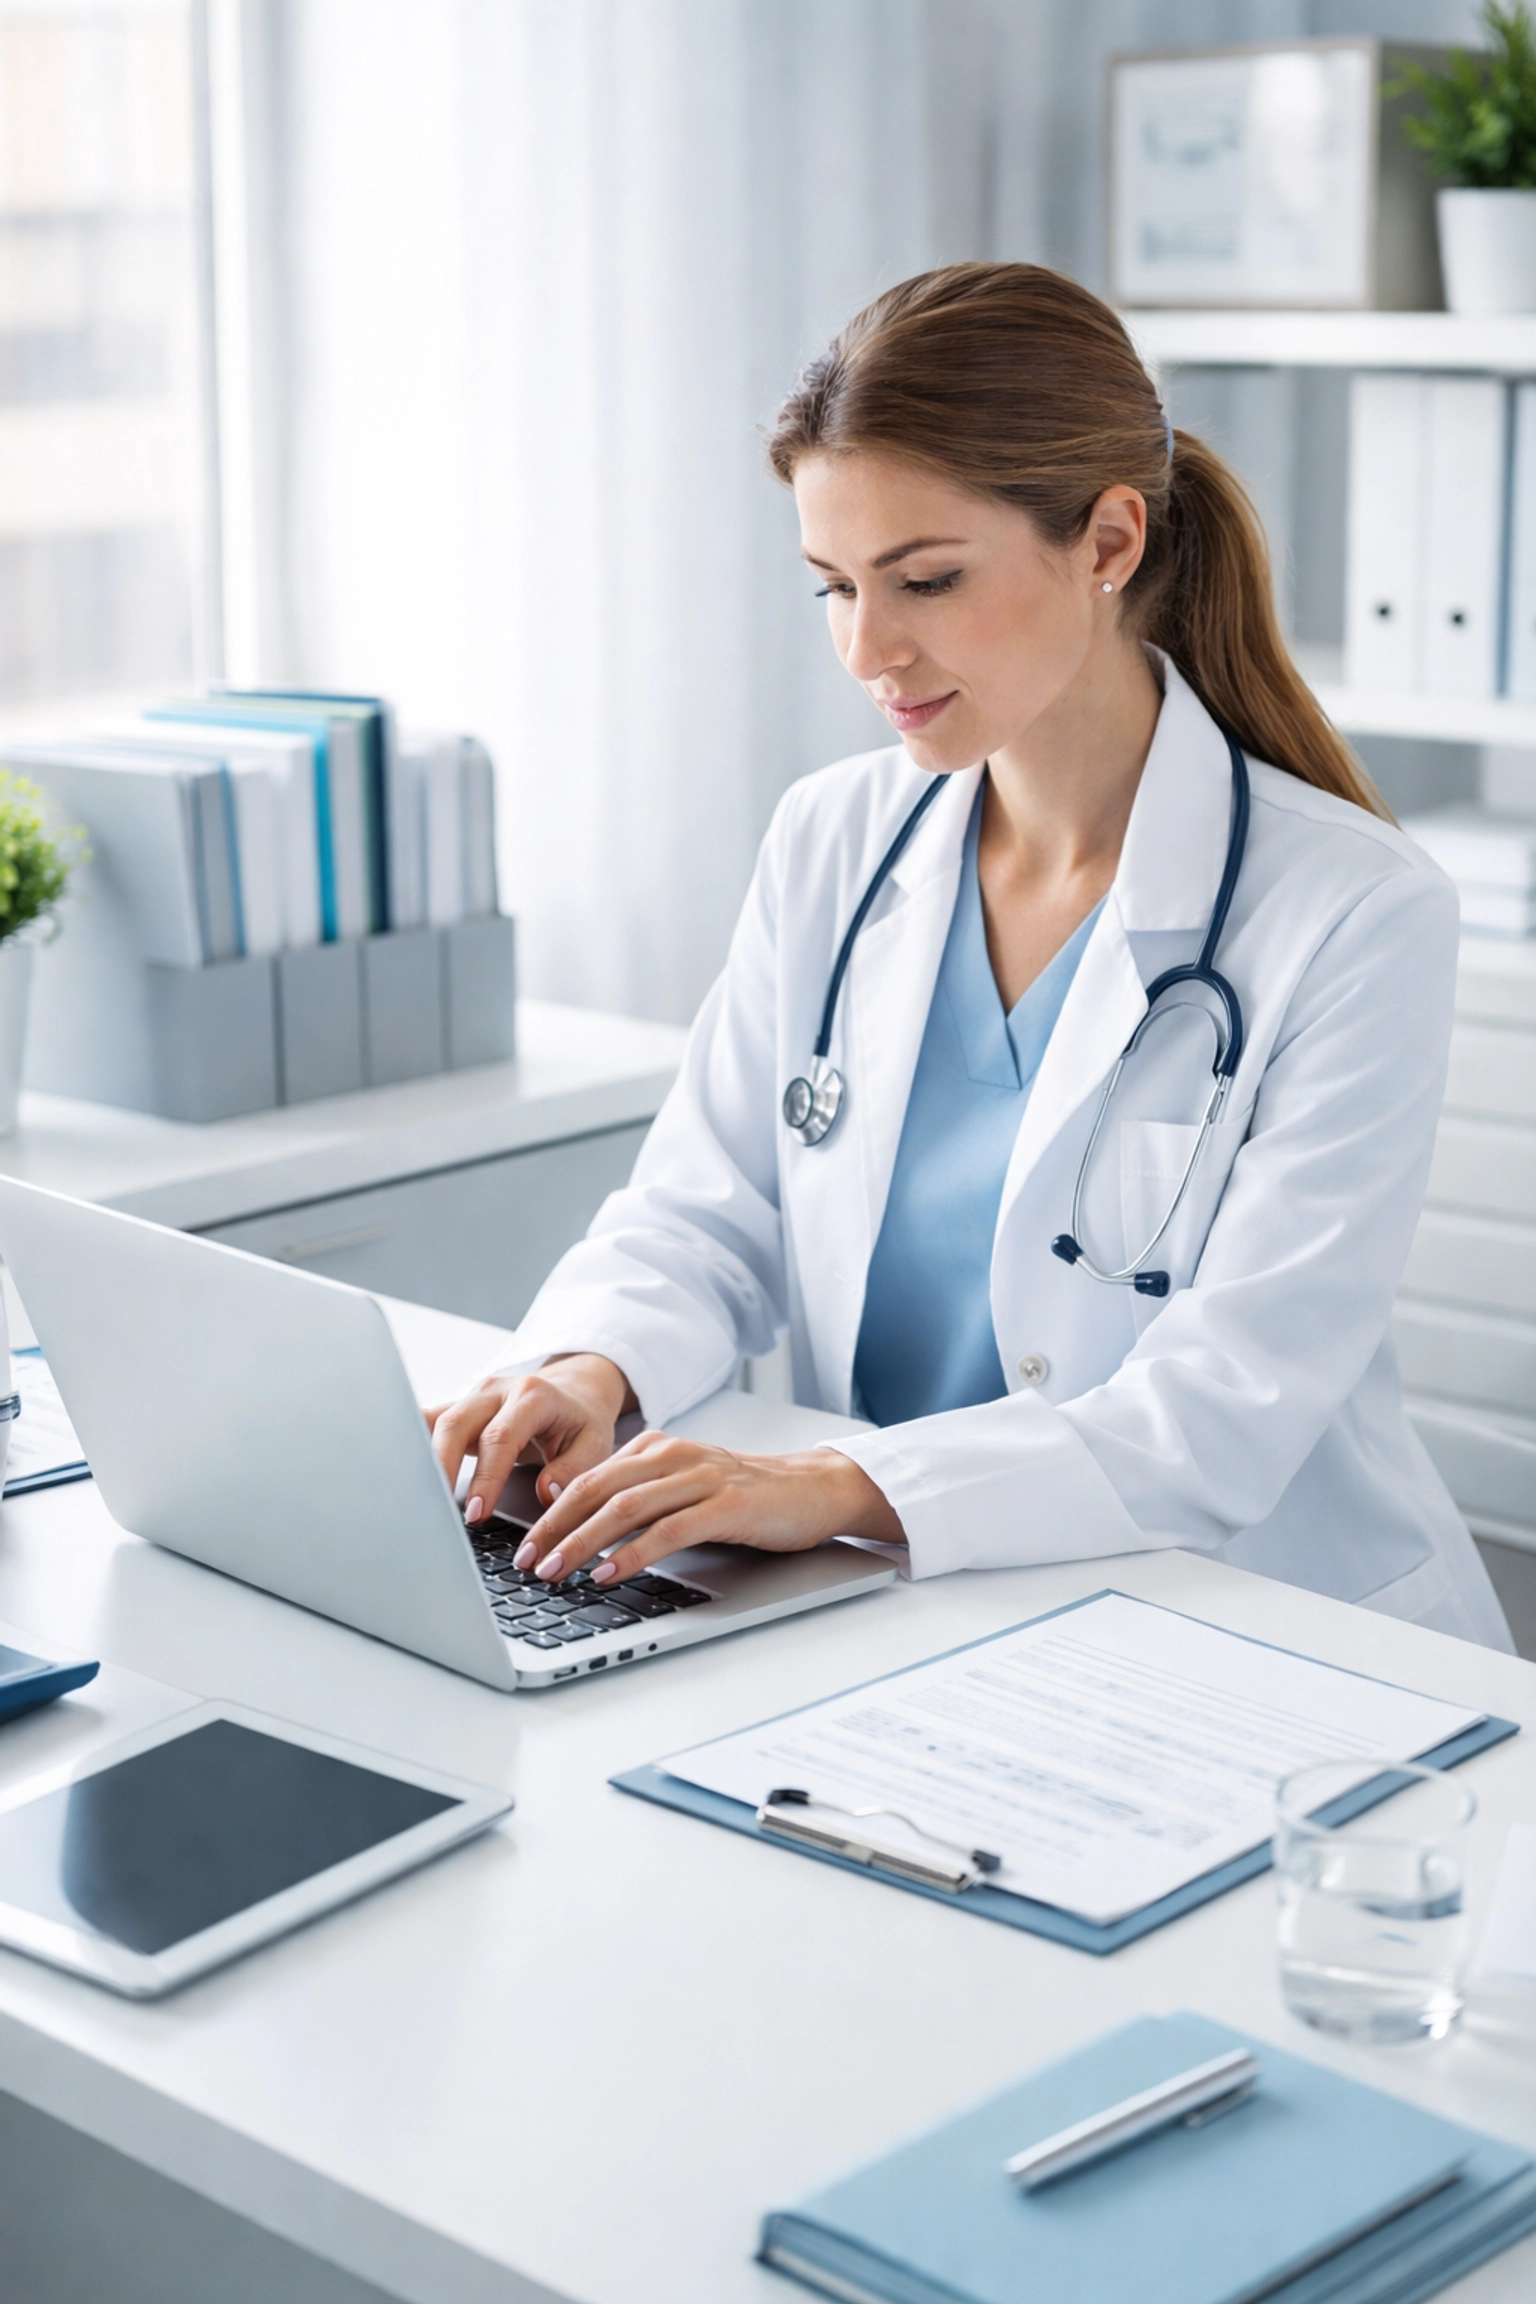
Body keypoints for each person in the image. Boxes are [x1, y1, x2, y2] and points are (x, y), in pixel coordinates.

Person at [430, 262, 1511, 1650]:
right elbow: (709, 1212)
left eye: (926, 580)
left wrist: (832, 1484)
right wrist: (592, 1359)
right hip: (911, 1601)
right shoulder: (834, 839)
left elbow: (1224, 1409)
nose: (869, 650)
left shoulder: (1353, 912)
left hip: (1260, 1635)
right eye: (832, 587)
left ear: (1109, 541)